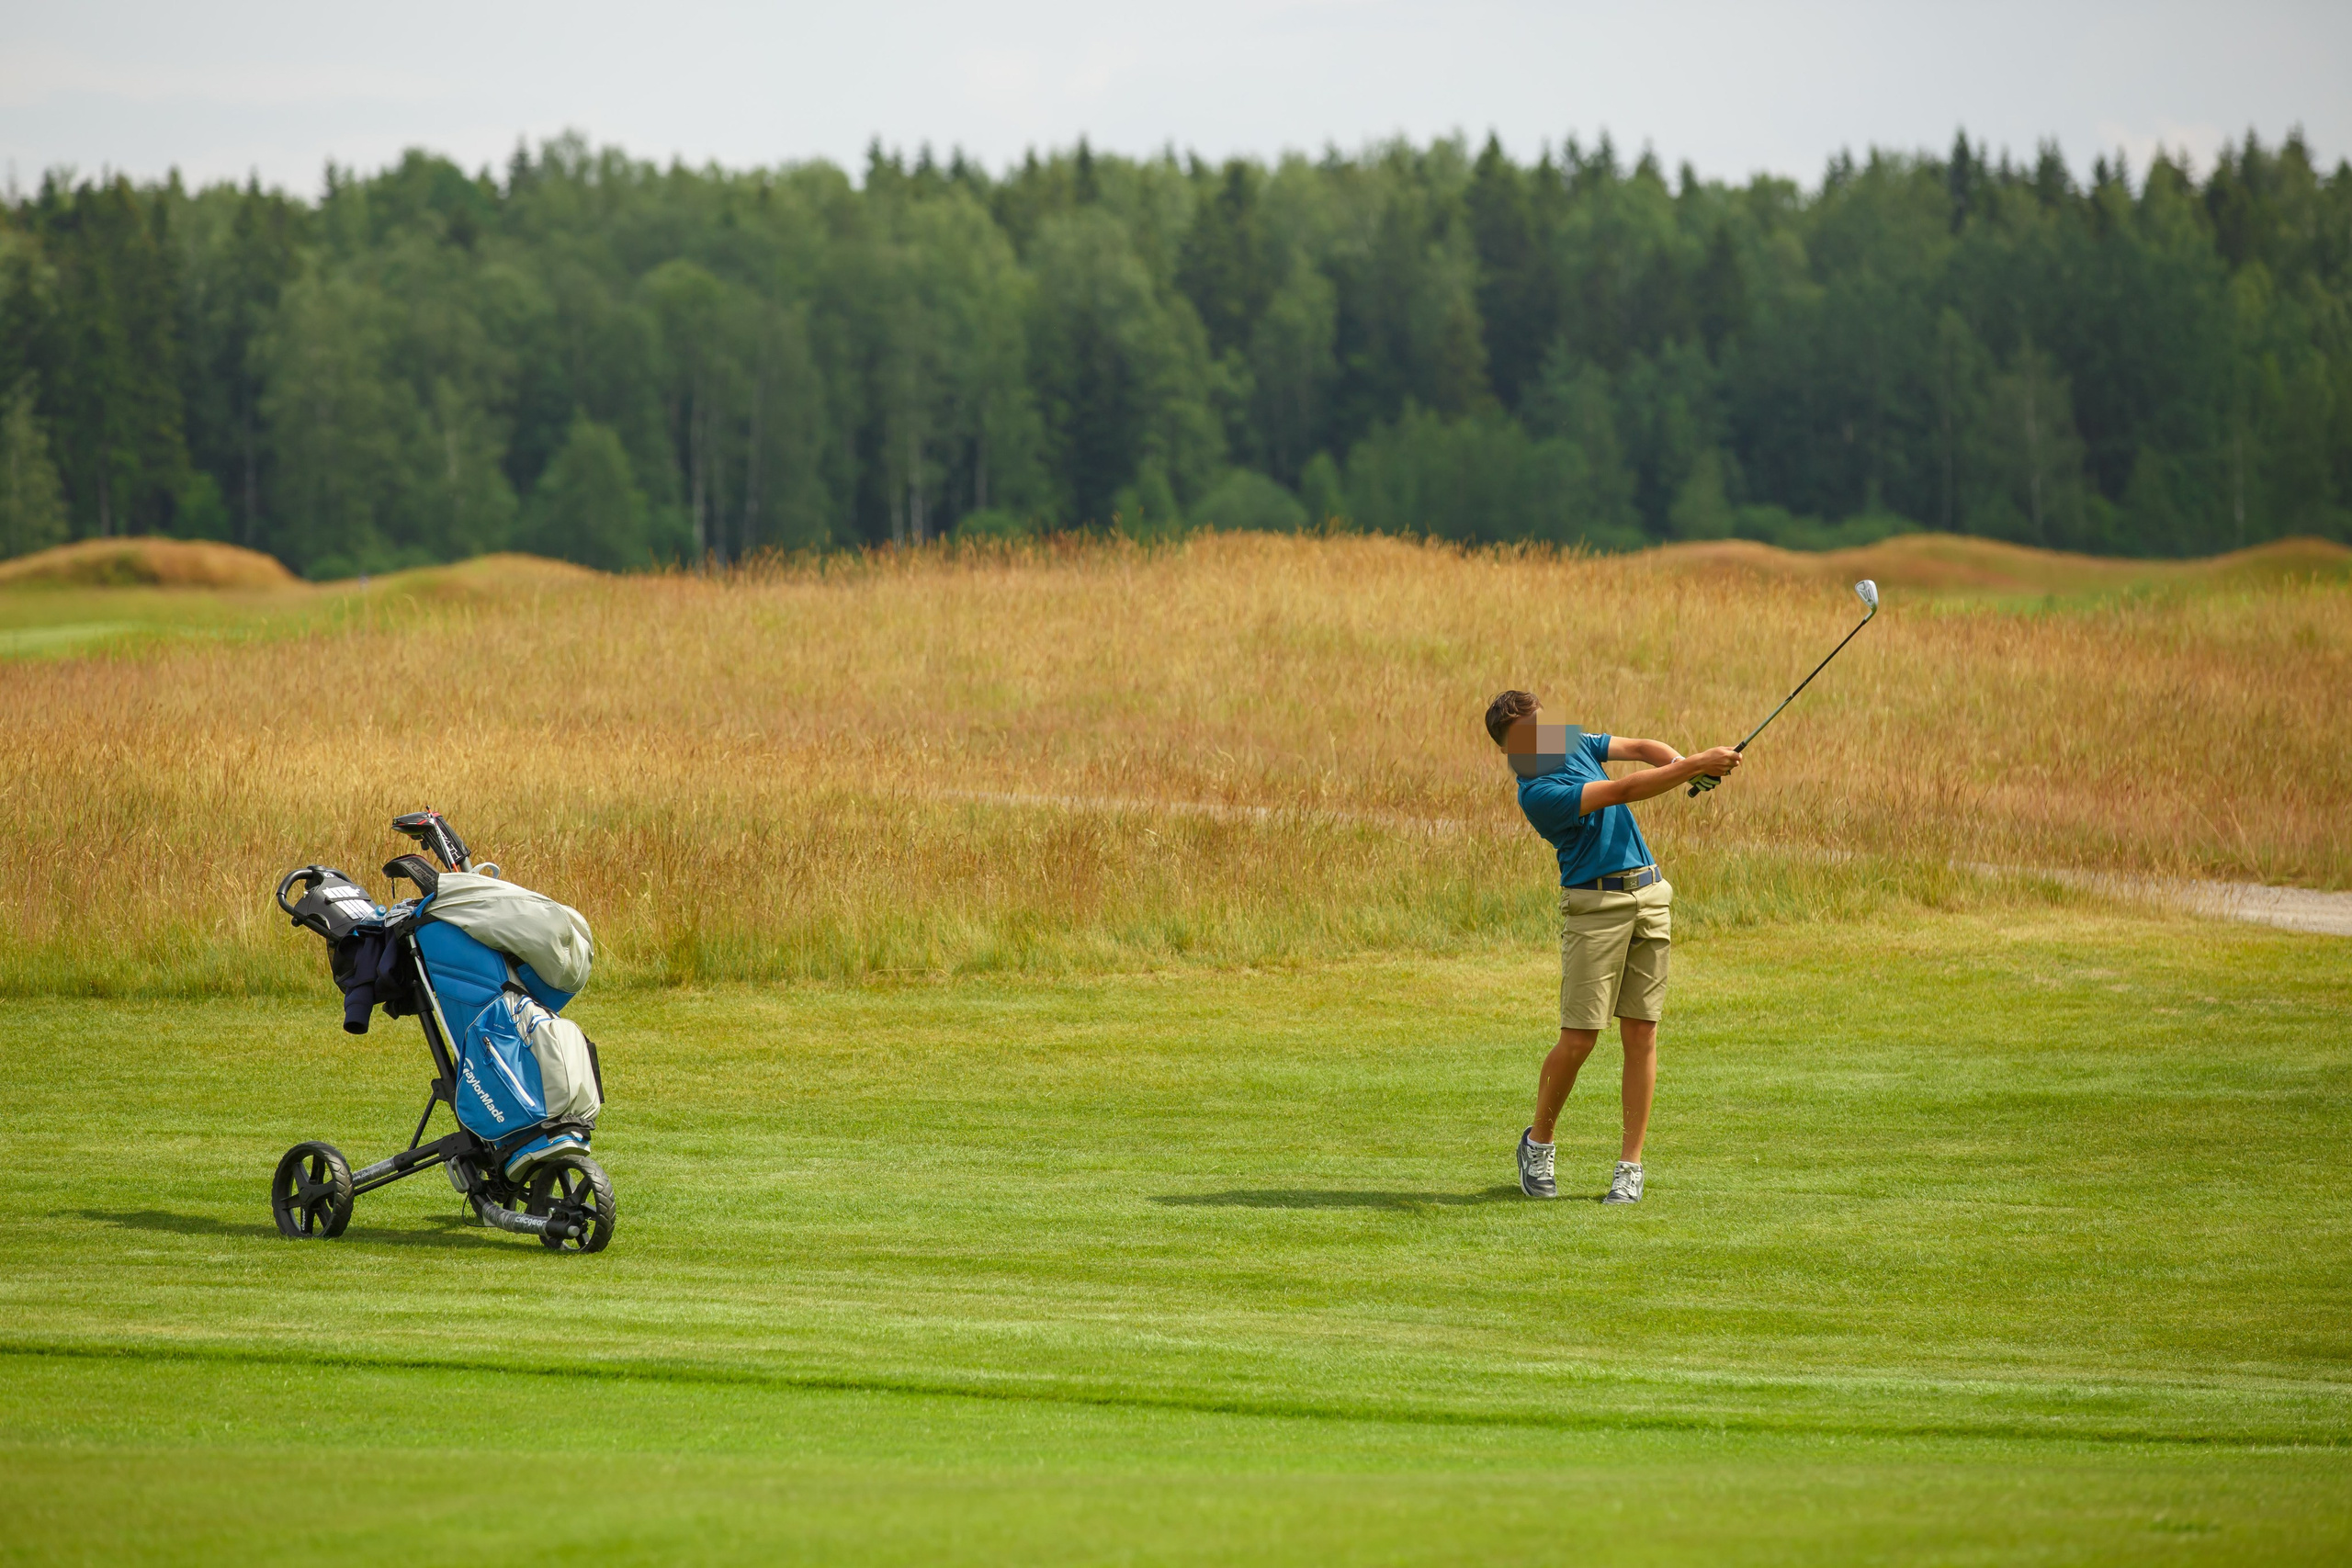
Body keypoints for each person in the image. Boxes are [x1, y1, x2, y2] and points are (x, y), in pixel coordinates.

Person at [1482, 690, 1740, 1204]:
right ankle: (1538, 1143)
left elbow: (1643, 748)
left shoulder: (1566, 742)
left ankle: (1630, 1167)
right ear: (1512, 750)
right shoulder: (1536, 792)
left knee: (1642, 1033)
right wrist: (1692, 766)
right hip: (1595, 910)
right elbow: (1622, 790)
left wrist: (1684, 764)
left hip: (1650, 894)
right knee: (1580, 1040)